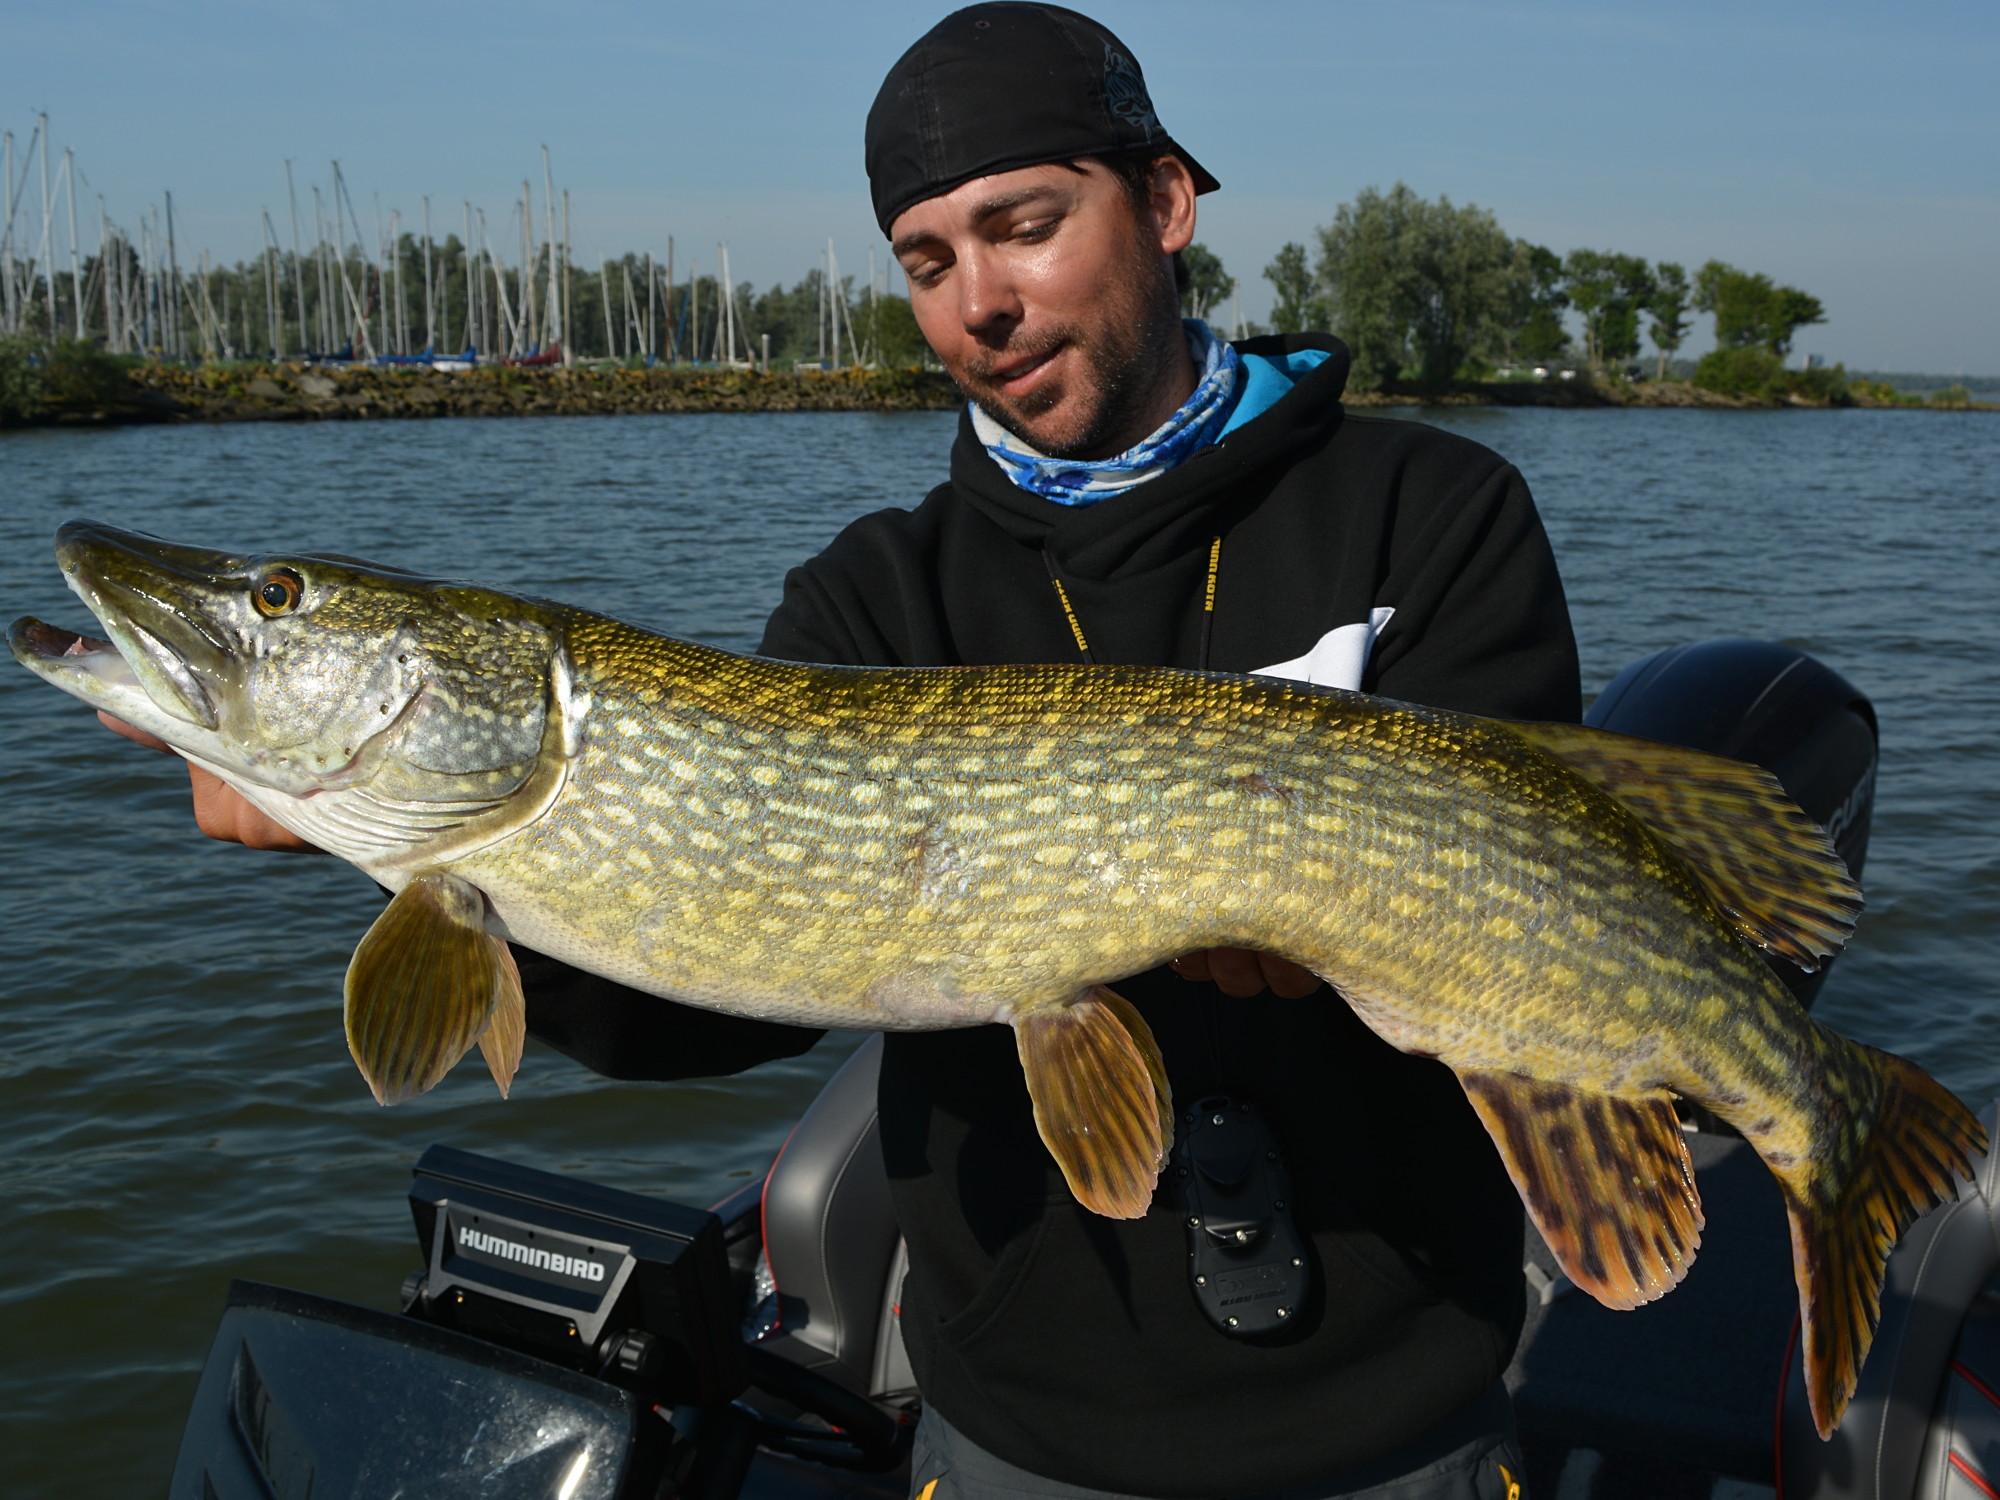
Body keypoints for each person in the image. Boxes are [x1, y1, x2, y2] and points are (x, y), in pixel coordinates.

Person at [108, 6, 1579, 1496]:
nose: (979, 307)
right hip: (1019, 1423)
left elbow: (1550, 900)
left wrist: (1338, 939)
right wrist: (402, 857)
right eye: (929, 264)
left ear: (1165, 200)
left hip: (1396, 1413)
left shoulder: (1428, 511)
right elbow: (717, 1007)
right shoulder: (877, 594)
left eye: (1023, 228)